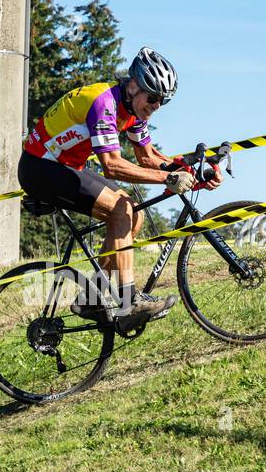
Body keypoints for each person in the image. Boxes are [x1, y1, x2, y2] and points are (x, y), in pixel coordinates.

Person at [17, 46, 222, 326]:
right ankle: (129, 303)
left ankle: (91, 298)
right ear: (134, 86)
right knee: (122, 207)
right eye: (152, 97)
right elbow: (112, 165)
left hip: (62, 166)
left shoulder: (134, 111)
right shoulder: (103, 104)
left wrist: (193, 171)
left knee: (132, 216)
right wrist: (169, 179)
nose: (155, 106)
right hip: (40, 168)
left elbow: (148, 157)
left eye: (162, 102)